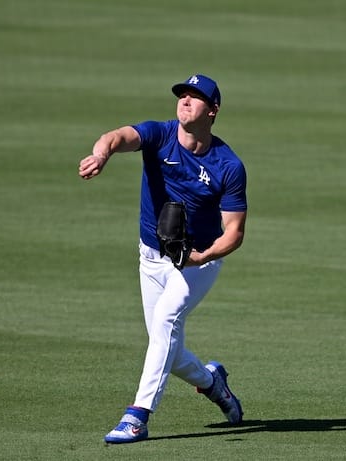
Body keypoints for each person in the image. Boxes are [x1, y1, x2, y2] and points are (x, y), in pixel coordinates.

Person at [78, 74, 248, 444]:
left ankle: (137, 416)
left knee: (167, 321)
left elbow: (234, 232)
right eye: (182, 95)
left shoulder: (227, 165)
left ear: (213, 110)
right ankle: (213, 383)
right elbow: (118, 136)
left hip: (196, 262)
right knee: (165, 342)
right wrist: (101, 154)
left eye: (196, 97)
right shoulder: (160, 135)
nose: (185, 101)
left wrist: (204, 254)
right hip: (151, 258)